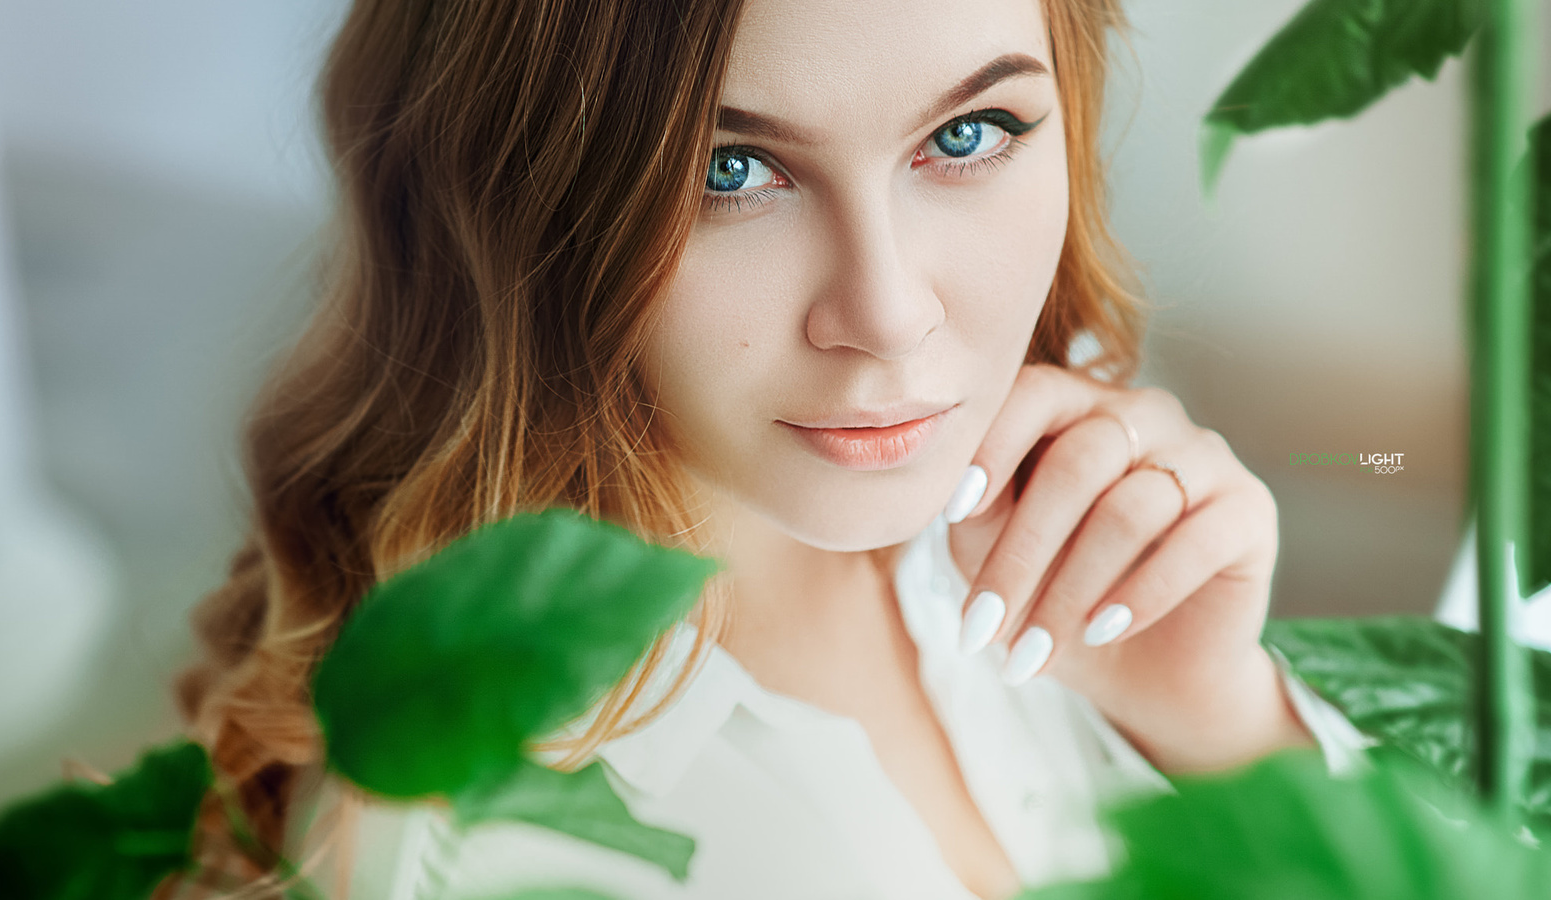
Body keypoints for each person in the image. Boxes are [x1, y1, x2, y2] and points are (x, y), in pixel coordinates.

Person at [170, 0, 1367, 897]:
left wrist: (1229, 729)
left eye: (967, 135)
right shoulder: (490, 838)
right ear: (517, 199)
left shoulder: (1049, 488)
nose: (890, 313)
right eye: (728, 170)